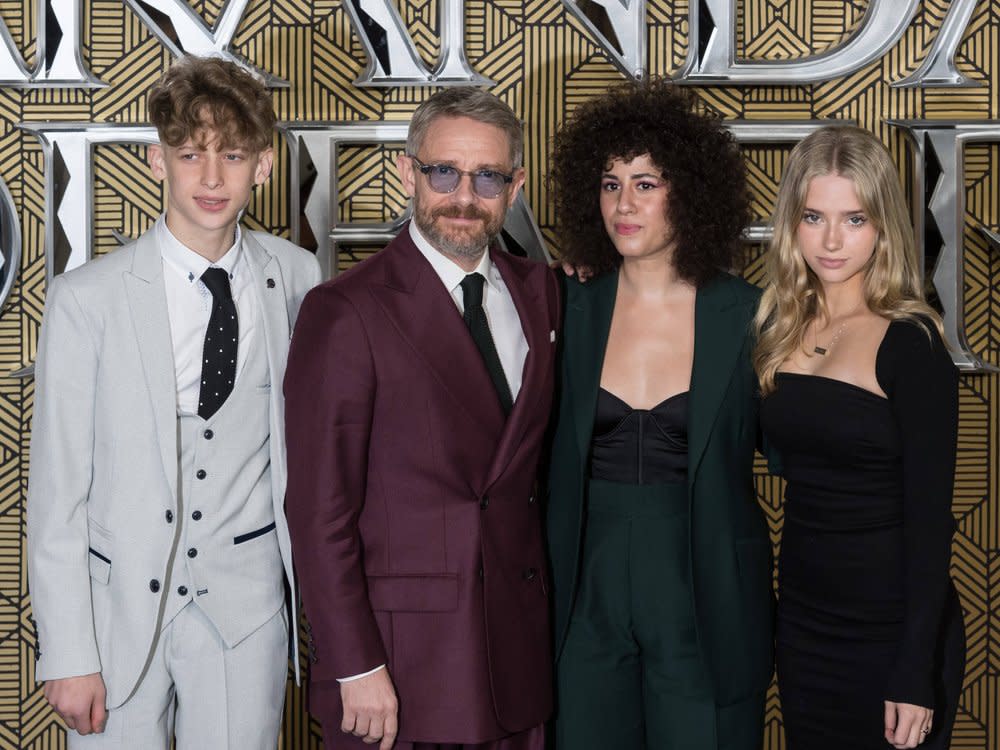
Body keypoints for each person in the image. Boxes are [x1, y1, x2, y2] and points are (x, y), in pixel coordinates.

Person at [26, 55, 321, 749]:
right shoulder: (86, 299)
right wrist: (67, 651)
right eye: (190, 155)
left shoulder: (301, 280)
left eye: (233, 155)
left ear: (265, 164)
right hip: (114, 615)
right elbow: (57, 492)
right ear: (158, 162)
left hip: (244, 615)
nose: (212, 178)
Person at [283, 87, 559, 750]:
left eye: (487, 176)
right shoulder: (345, 310)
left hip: (516, 657)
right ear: (409, 172)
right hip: (398, 666)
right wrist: (354, 662)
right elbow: (318, 513)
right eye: (444, 172)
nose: (464, 196)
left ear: (515, 186)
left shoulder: (543, 295)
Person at [545, 78, 773, 750]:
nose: (624, 203)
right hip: (583, 589)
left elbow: (805, 448)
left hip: (707, 597)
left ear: (691, 191)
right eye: (611, 183)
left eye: (646, 183)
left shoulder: (751, 313)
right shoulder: (563, 305)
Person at [753, 124, 965, 749]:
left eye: (854, 219)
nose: (832, 240)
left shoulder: (913, 343)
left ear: (882, 227)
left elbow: (930, 523)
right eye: (815, 216)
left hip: (891, 632)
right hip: (802, 624)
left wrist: (912, 670)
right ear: (792, 220)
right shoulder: (774, 328)